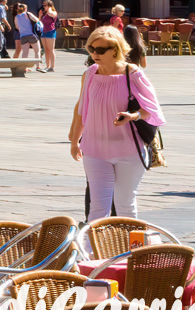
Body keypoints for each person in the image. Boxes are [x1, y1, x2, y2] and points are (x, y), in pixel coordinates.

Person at [70, 24, 163, 218]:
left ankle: (129, 247)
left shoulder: (133, 73)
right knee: (97, 207)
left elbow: (152, 110)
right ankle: (92, 248)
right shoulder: (89, 74)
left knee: (125, 204)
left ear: (116, 50)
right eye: (91, 49)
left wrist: (133, 116)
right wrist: (74, 141)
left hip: (128, 150)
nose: (95, 54)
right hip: (95, 150)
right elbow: (81, 109)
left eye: (101, 50)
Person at [38, 0, 59, 73]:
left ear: (50, 6)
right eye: (43, 5)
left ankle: (52, 67)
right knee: (46, 49)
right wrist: (40, 16)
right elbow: (39, 22)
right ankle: (47, 66)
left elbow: (51, 14)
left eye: (45, 5)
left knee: (51, 50)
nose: (44, 6)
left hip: (51, 31)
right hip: (44, 32)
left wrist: (49, 8)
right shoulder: (44, 12)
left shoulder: (53, 12)